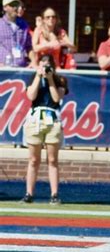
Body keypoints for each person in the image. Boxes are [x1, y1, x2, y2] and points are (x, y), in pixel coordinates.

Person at [21, 54, 68, 204]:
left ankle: (54, 194)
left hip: (52, 120)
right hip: (36, 120)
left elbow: (56, 98)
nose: (45, 68)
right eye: (43, 64)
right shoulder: (33, 78)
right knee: (33, 159)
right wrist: (37, 76)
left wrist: (50, 79)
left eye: (48, 65)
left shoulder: (60, 80)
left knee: (52, 159)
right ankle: (29, 193)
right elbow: (30, 95)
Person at [0, 0, 33, 66]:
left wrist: (33, 61)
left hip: (20, 68)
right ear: (5, 8)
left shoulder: (24, 25)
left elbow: (29, 47)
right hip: (3, 69)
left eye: (17, 4)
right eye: (12, 5)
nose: (15, 7)